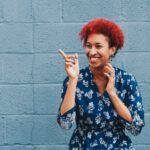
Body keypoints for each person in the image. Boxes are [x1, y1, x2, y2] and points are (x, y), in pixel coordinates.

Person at [57, 18, 145, 150]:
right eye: (88, 46)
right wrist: (73, 80)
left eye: (98, 46)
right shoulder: (75, 79)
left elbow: (136, 128)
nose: (92, 52)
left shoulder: (126, 80)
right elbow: (65, 123)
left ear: (112, 50)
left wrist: (112, 94)